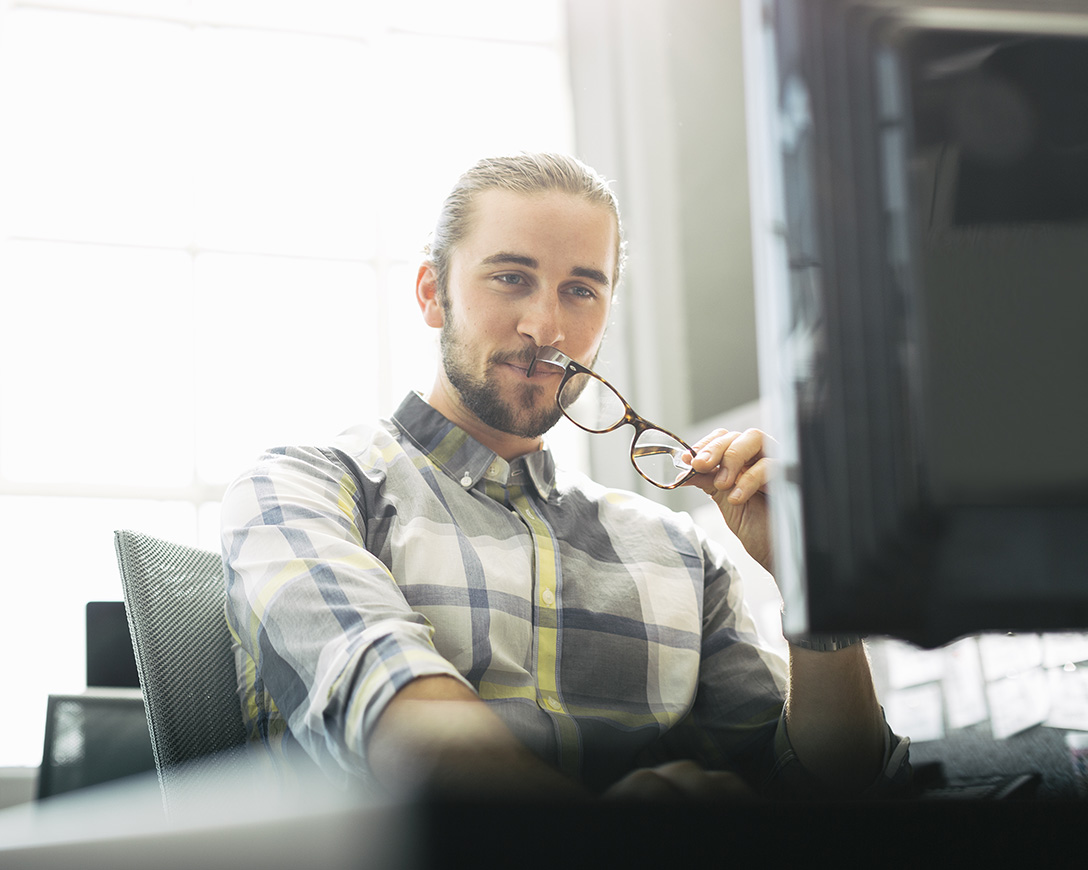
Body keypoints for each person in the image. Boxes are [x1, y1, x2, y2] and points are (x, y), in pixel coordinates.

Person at [220, 152, 909, 801]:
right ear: (434, 294)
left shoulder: (678, 552)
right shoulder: (301, 490)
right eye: (511, 278)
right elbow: (409, 736)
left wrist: (815, 585)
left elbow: (829, 788)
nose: (546, 327)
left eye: (581, 290)